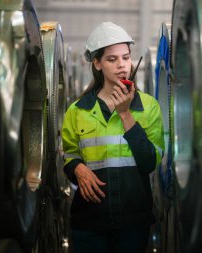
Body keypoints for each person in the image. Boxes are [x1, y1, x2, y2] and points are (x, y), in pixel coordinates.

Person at [61, 21, 165, 253]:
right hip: (89, 221)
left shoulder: (148, 107)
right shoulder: (78, 110)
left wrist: (125, 113)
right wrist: (77, 167)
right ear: (96, 63)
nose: (122, 65)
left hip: (133, 223)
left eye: (126, 58)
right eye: (112, 59)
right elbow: (68, 154)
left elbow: (149, 162)